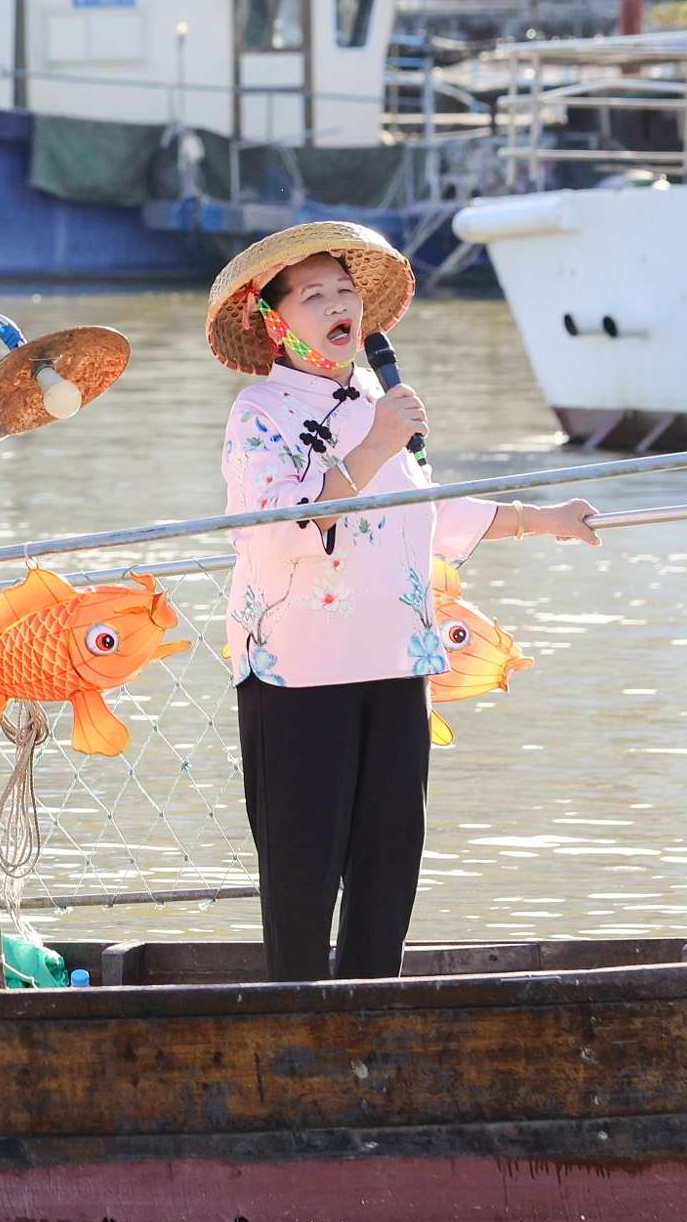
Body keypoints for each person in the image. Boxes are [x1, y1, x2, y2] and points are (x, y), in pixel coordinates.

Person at [206, 222, 596, 982]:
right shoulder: (261, 413)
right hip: (299, 674)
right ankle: (296, 1039)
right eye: (315, 294)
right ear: (275, 320)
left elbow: (426, 511)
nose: (337, 304)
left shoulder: (378, 403)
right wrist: (377, 443)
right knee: (302, 878)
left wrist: (545, 521)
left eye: (346, 291)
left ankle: (372, 1026)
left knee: (389, 867)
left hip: (396, 664)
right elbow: (280, 528)